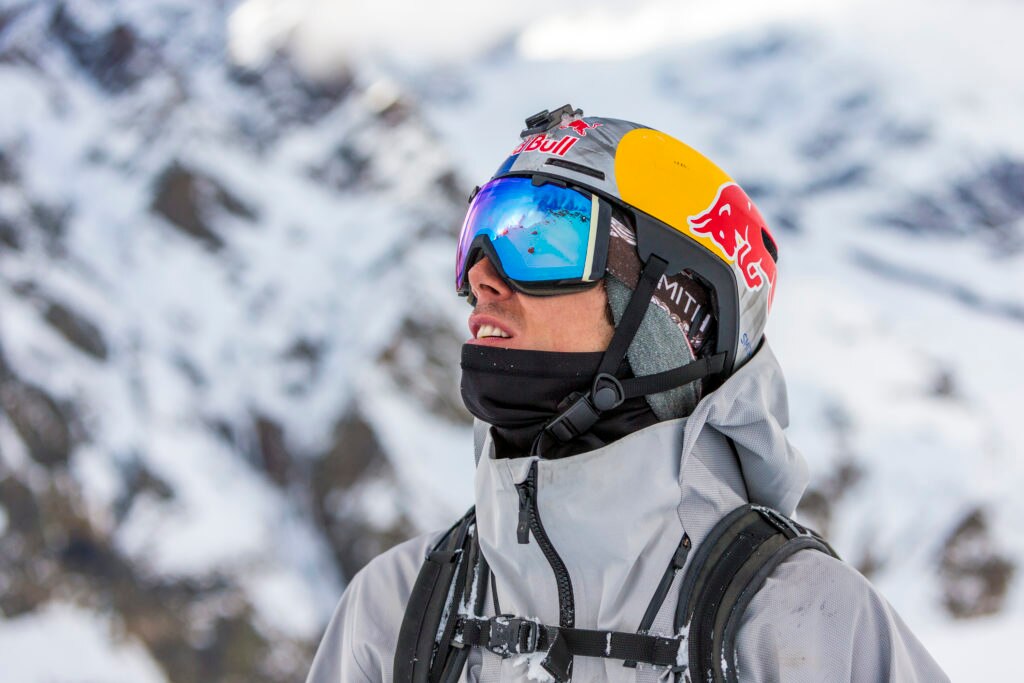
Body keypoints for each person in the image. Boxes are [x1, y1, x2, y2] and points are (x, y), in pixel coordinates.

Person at [307, 105, 949, 682]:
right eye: (480, 230)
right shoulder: (397, 615)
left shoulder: (806, 623)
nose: (482, 275)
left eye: (541, 238)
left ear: (669, 314)